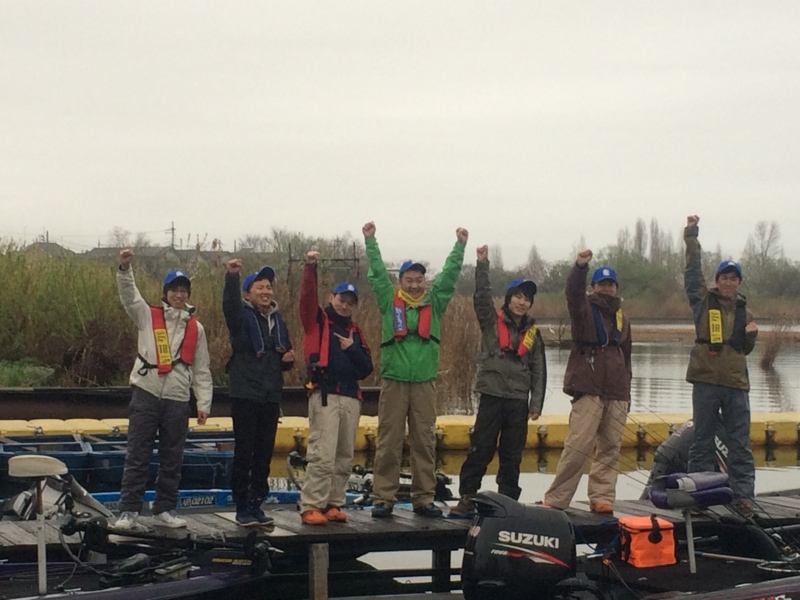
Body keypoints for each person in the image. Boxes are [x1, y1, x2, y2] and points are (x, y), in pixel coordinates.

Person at [362, 221, 468, 518]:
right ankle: (383, 497)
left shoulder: (435, 302)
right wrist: (371, 241)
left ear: (425, 281)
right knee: (388, 441)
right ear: (401, 282)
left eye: (419, 279)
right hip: (395, 380)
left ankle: (424, 498)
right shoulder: (388, 301)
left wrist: (459, 246)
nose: (414, 284)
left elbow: (449, 277)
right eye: (409, 279)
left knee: (424, 440)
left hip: (424, 382)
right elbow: (377, 274)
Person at [115, 249, 213, 530]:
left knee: (173, 457)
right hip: (146, 391)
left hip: (178, 398)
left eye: (184, 290)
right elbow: (129, 295)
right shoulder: (147, 315)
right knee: (137, 453)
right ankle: (129, 511)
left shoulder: (197, 329)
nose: (179, 295)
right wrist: (124, 268)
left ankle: (165, 508)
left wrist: (203, 403)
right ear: (166, 292)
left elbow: (202, 370)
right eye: (174, 290)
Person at [451, 245, 547, 516]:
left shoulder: (533, 333)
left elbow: (539, 369)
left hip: (518, 400)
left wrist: (535, 404)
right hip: (492, 395)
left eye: (526, 298)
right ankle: (467, 496)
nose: (522, 302)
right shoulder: (491, 322)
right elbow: (481, 296)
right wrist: (482, 264)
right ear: (508, 299)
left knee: (512, 454)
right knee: (480, 447)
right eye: (517, 296)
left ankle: (508, 500)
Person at [543, 250, 632, 514]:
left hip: (617, 391)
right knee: (578, 446)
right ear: (593, 287)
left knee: (610, 446)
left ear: (616, 288)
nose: (606, 288)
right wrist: (580, 267)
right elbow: (572, 292)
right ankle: (557, 498)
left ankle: (602, 496)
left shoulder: (622, 318)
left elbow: (627, 355)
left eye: (610, 284)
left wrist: (627, 392)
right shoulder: (583, 309)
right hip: (589, 388)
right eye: (601, 284)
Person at [684, 214, 758, 516]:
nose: (728, 282)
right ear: (717, 281)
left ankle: (743, 497)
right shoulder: (703, 301)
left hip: (736, 383)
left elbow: (744, 349)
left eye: (733, 278)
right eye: (724, 277)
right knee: (701, 440)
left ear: (739, 283)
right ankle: (700, 495)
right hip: (705, 379)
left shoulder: (746, 312)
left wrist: (752, 338)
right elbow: (692, 273)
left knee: (740, 442)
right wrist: (691, 235)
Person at [297, 251, 373, 526]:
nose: (345, 306)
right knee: (322, 454)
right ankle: (311, 505)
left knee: (344, 457)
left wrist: (351, 349)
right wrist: (310, 267)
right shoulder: (316, 321)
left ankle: (333, 503)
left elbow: (366, 368)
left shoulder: (355, 332)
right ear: (331, 298)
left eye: (350, 303)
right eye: (341, 300)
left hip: (351, 397)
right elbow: (306, 298)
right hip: (326, 394)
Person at [223, 259, 295, 526]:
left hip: (270, 395)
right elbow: (228, 305)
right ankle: (242, 505)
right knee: (245, 453)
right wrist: (232, 276)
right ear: (247, 293)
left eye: (268, 287)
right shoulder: (240, 316)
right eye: (259, 287)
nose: (266, 291)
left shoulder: (278, 321)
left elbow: (281, 356)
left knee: (264, 454)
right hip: (245, 394)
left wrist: (288, 359)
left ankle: (257, 503)